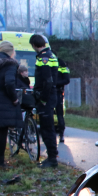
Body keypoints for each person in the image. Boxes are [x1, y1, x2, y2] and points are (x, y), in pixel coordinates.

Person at [29, 34, 58, 168]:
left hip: (46, 98)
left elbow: (48, 80)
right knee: (48, 128)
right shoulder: (51, 55)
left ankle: (52, 159)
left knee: (47, 128)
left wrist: (43, 98)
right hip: (50, 96)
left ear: (34, 45)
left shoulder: (43, 58)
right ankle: (52, 157)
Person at [56, 60, 70, 143]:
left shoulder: (62, 65)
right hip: (49, 93)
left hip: (58, 92)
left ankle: (61, 134)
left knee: (59, 115)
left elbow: (67, 80)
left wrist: (54, 83)